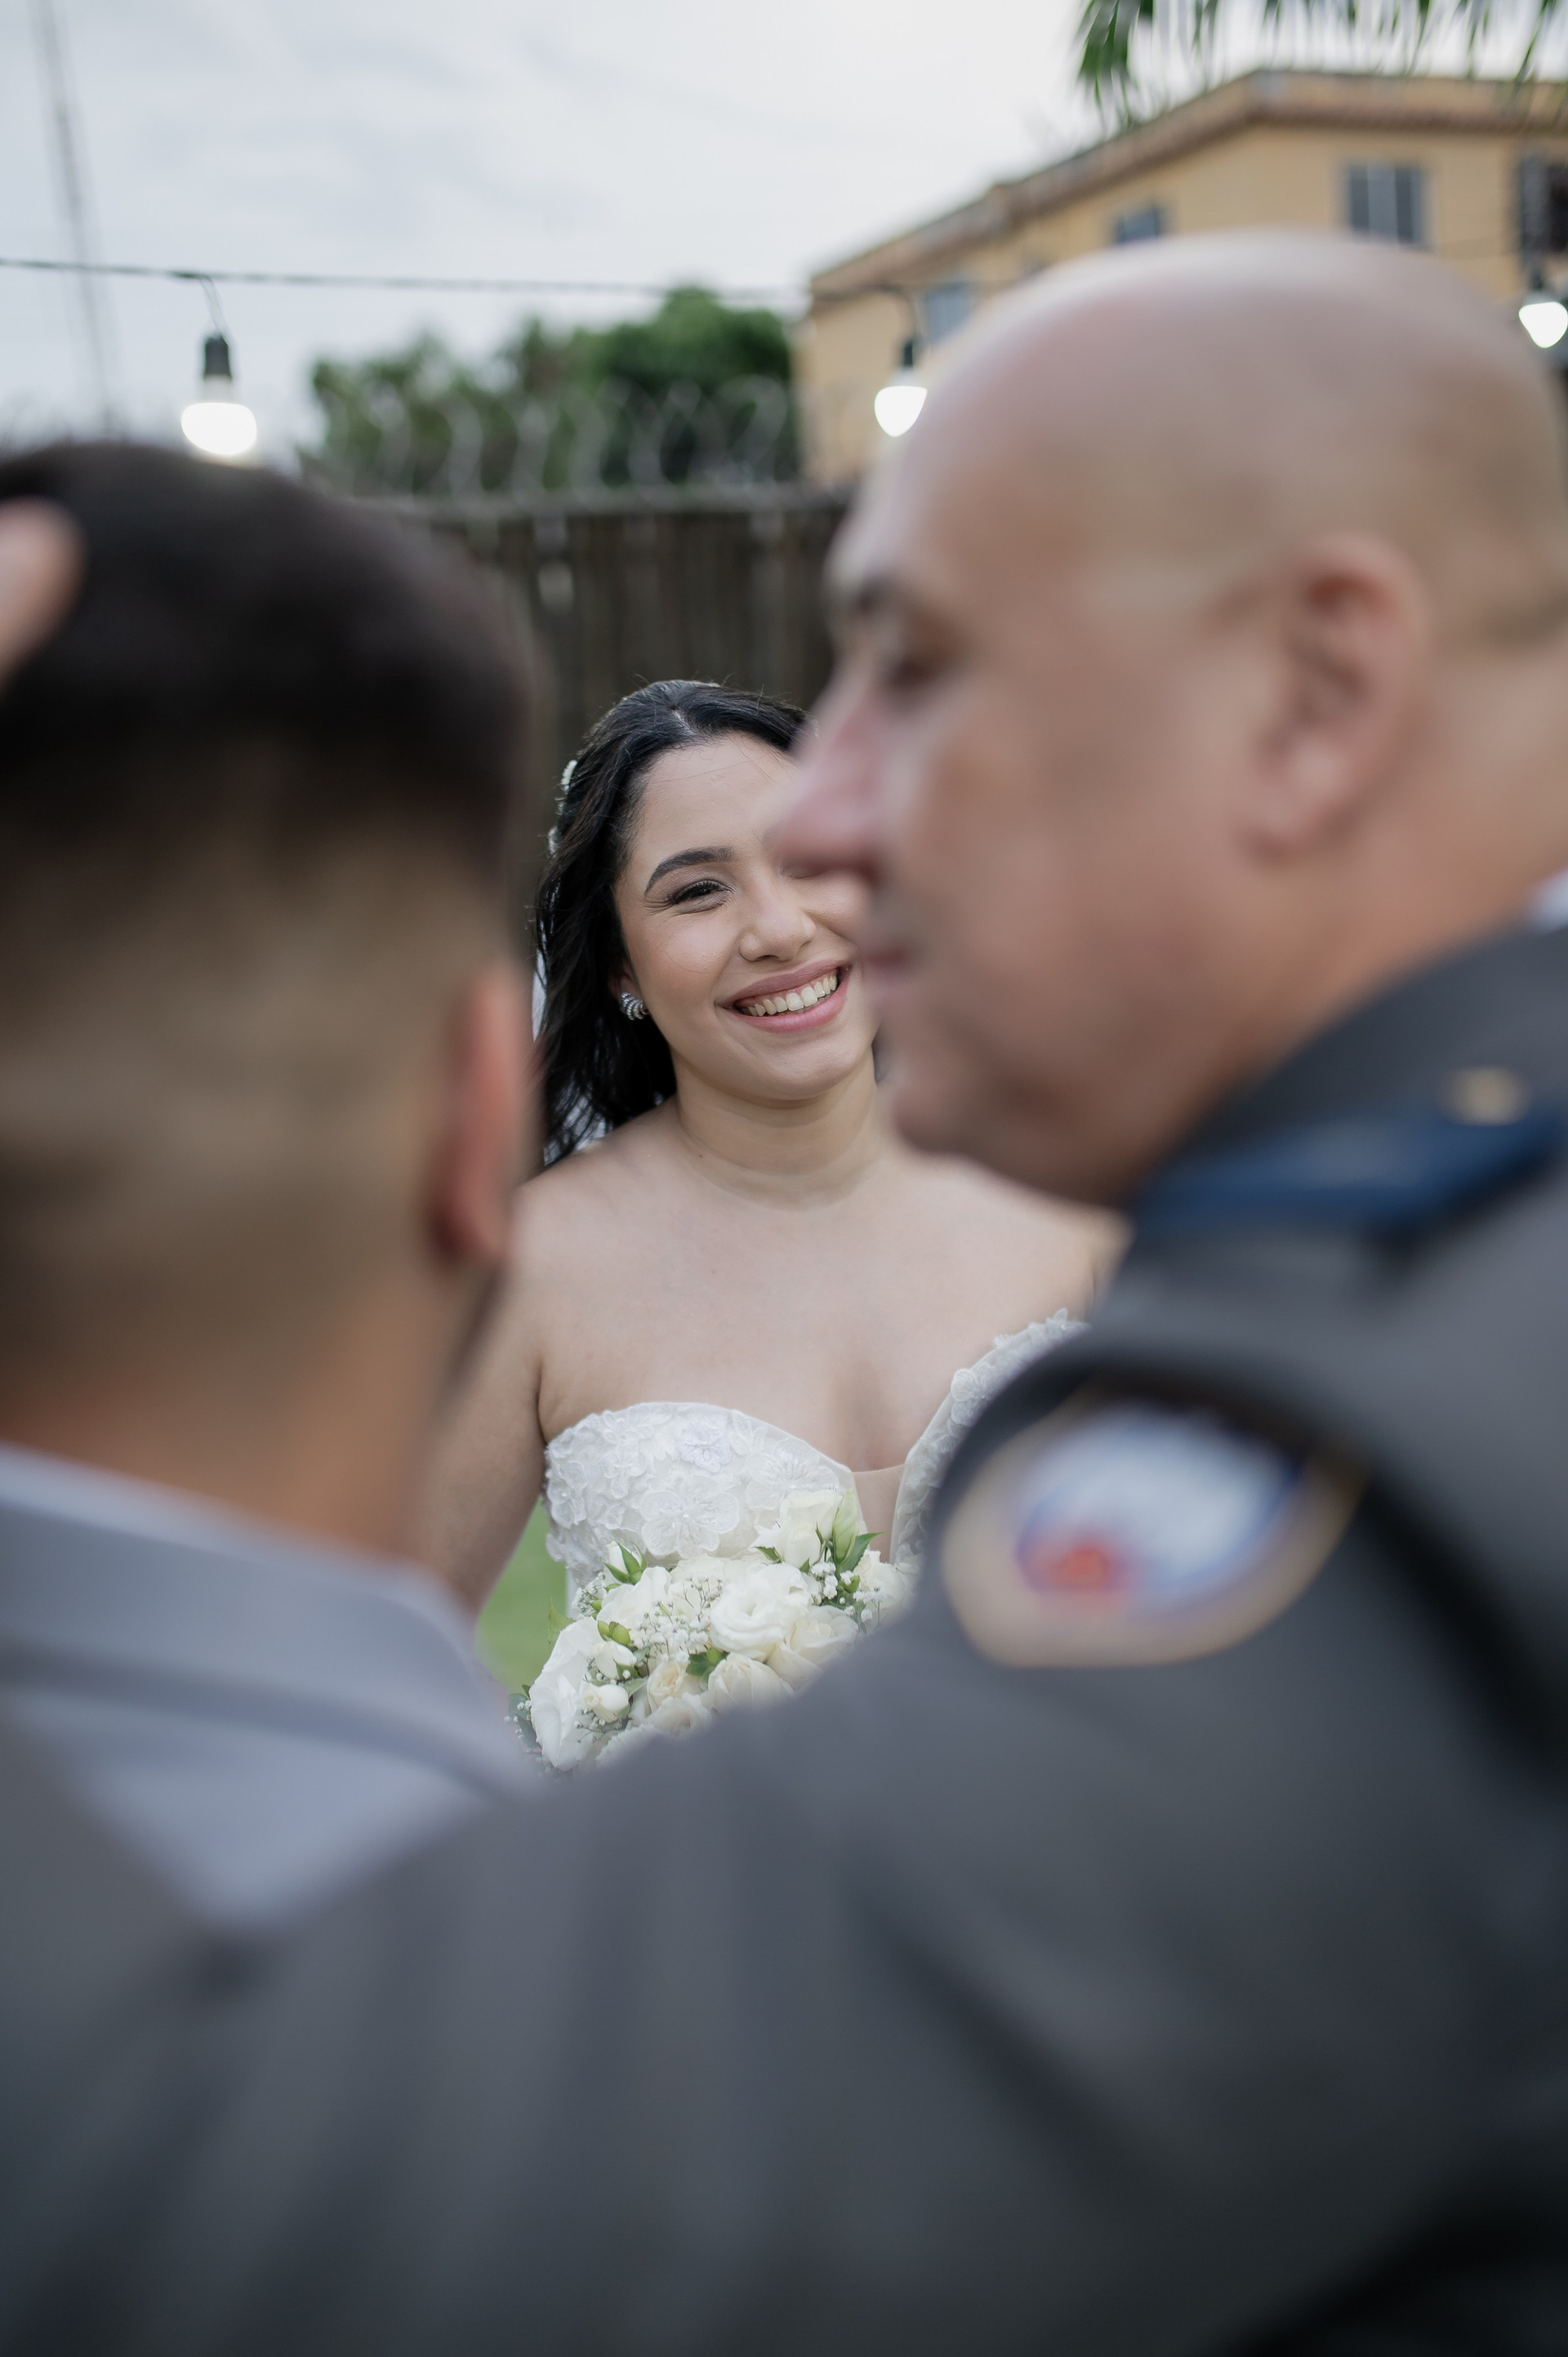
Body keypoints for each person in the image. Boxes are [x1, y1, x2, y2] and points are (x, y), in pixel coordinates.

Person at [6, 221, 1568, 2355]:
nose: (827, 830)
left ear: (1317, 699)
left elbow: (351, 2191)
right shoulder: (1399, 1244)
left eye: (914, 670)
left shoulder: (1435, 1410)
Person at [418, 679, 1111, 1661]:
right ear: (619, 965)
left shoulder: (1068, 1190)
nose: (780, 929)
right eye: (698, 891)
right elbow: (378, 1650)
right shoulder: (529, 1268)